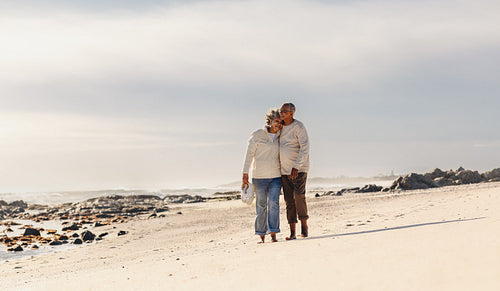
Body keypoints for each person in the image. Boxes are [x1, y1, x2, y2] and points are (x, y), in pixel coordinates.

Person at [242, 109, 283, 243]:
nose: (278, 124)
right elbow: (249, 155)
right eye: (276, 121)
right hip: (259, 177)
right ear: (270, 121)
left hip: (276, 177)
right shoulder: (257, 135)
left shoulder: (280, 136)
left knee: (273, 203)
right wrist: (245, 174)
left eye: (280, 122)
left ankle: (273, 234)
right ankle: (261, 234)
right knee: (261, 206)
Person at [279, 102, 310, 240]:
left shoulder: (298, 126)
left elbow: (305, 147)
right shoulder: (279, 127)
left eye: (284, 111)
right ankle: (292, 232)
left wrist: (296, 165)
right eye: (281, 111)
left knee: (299, 196)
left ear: (292, 113)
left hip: (299, 169)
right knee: (289, 201)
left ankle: (304, 227)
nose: (281, 113)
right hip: (284, 171)